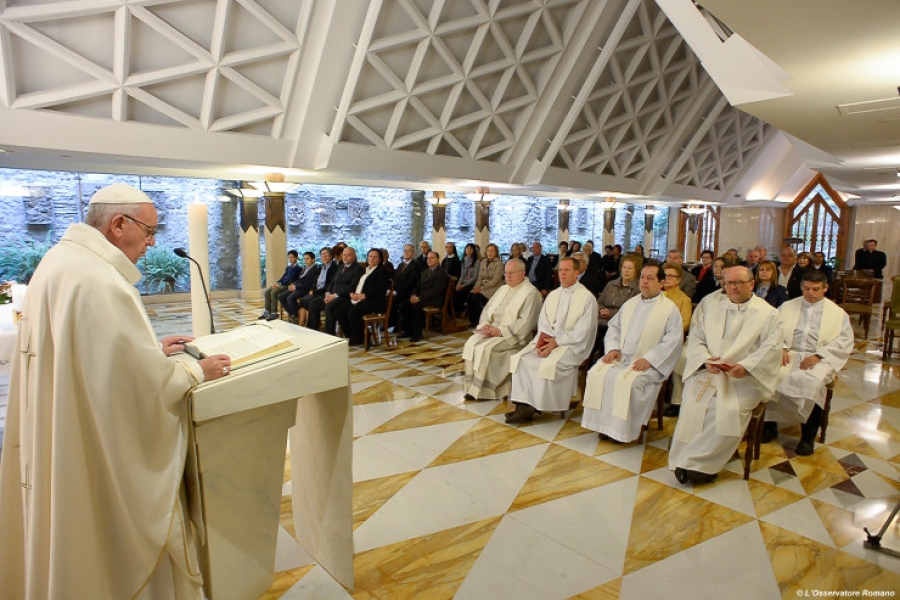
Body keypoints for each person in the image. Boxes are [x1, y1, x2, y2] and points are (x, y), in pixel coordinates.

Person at [0, 184, 231, 600]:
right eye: (148, 230)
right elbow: (137, 389)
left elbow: (91, 359)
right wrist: (194, 369)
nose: (152, 242)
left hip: (62, 434)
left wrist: (151, 351)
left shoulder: (63, 261)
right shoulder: (97, 280)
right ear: (118, 224)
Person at [668, 266, 783, 484]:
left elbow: (772, 348)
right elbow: (696, 339)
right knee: (693, 400)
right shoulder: (713, 309)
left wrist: (746, 366)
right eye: (729, 283)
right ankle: (685, 457)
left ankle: (703, 465)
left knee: (725, 407)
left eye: (739, 283)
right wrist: (704, 359)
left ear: (752, 284)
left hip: (746, 379)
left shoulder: (769, 314)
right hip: (712, 372)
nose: (733, 287)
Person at [582, 264, 683, 442]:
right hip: (622, 357)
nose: (644, 281)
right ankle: (605, 426)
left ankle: (624, 431)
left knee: (630, 383)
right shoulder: (631, 303)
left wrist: (650, 359)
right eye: (642, 277)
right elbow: (614, 327)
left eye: (650, 278)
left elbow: (672, 341)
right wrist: (613, 348)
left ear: (661, 283)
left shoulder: (669, 309)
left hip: (649, 363)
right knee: (597, 374)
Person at [764, 270, 853, 454]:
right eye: (806, 289)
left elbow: (844, 340)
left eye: (816, 289)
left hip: (819, 357)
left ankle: (807, 436)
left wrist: (819, 356)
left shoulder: (837, 314)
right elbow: (773, 330)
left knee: (812, 383)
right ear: (801, 287)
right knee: (769, 375)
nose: (810, 293)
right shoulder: (787, 307)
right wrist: (782, 347)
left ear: (825, 288)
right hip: (790, 353)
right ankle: (770, 425)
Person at [506, 257, 598, 423]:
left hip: (573, 346)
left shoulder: (587, 298)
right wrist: (545, 342)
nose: (562, 273)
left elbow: (583, 331)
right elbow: (544, 322)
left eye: (567, 270)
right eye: (560, 269)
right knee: (522, 359)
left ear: (577, 273)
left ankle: (536, 405)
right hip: (549, 341)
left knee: (546, 364)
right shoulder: (553, 295)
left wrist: (557, 342)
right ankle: (523, 405)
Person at [462, 259, 542, 401]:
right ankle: (473, 388)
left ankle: (487, 390)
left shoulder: (531, 293)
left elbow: (526, 322)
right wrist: (486, 325)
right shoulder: (503, 289)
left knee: (487, 349)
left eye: (511, 273)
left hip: (514, 337)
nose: (507, 276)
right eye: (506, 273)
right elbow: (487, 310)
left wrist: (499, 332)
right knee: (471, 343)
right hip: (493, 330)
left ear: (522, 273)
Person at [338, 248, 391, 346]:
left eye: (375, 257)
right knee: (340, 311)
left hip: (374, 301)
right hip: (358, 298)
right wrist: (352, 293)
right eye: (370, 256)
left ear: (380, 259)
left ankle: (363, 338)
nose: (372, 259)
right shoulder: (364, 270)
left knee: (353, 312)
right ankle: (352, 336)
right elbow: (354, 284)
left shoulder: (382, 272)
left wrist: (363, 295)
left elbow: (378, 290)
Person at [307, 247, 363, 334]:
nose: (345, 257)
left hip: (344, 296)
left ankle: (329, 333)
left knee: (329, 306)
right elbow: (332, 282)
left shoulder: (358, 269)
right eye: (344, 255)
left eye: (348, 255)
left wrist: (335, 295)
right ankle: (313, 331)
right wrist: (328, 293)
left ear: (354, 256)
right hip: (331, 294)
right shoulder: (340, 266)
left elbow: (352, 287)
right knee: (313, 303)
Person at [398, 251, 449, 342]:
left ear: (438, 260)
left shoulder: (441, 273)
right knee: (404, 305)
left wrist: (420, 298)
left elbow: (436, 291)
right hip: (423, 298)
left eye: (432, 258)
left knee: (416, 307)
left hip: (434, 300)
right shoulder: (425, 271)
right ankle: (408, 331)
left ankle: (417, 334)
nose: (429, 260)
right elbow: (418, 286)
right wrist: (413, 295)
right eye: (428, 258)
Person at [596, 253, 642, 354]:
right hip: (601, 322)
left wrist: (610, 314)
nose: (626, 270)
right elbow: (599, 302)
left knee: (604, 338)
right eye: (624, 267)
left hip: (620, 326)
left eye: (630, 268)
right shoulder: (611, 284)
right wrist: (601, 310)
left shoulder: (638, 288)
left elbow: (631, 311)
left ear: (636, 271)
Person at [297, 247, 336, 327]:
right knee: (304, 299)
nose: (324, 256)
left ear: (331, 256)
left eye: (326, 254)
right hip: (316, 291)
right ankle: (301, 325)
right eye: (322, 254)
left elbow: (329, 285)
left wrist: (314, 292)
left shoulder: (334, 268)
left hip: (325, 292)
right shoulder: (321, 267)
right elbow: (315, 281)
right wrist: (312, 290)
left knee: (311, 302)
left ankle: (312, 327)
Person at [466, 243, 504, 327]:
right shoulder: (483, 262)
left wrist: (481, 288)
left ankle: (480, 320)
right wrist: (476, 286)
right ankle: (473, 320)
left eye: (492, 251)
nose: (490, 253)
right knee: (469, 295)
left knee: (476, 297)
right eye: (488, 251)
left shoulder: (499, 263)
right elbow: (480, 277)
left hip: (494, 287)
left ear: (496, 252)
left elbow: (495, 280)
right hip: (483, 286)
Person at [260, 249, 302, 320]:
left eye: (292, 257)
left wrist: (280, 284)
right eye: (289, 257)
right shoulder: (288, 267)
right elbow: (283, 276)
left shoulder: (298, 268)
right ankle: (267, 312)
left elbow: (291, 279)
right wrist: (277, 283)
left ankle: (274, 313)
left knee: (274, 292)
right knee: (267, 291)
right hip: (282, 284)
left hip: (288, 286)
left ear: (296, 257)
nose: (290, 259)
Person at [279, 251, 319, 323]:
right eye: (304, 259)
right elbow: (299, 279)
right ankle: (294, 315)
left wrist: (296, 287)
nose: (305, 261)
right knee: (281, 297)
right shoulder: (305, 268)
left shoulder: (315, 269)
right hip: (298, 286)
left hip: (305, 289)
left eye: (308, 258)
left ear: (313, 260)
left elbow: (309, 284)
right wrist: (293, 285)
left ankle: (296, 316)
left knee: (290, 298)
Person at [390, 243, 422, 328]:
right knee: (387, 300)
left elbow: (410, 283)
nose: (406, 253)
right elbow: (395, 278)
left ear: (413, 253)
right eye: (405, 251)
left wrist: (396, 291)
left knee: (392, 301)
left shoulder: (416, 266)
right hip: (398, 291)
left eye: (409, 251)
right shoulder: (401, 265)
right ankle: (394, 323)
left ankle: (398, 325)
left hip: (408, 293)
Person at [662, 262, 692, 333]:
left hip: (672, 334)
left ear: (678, 280)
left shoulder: (684, 299)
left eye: (671, 276)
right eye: (665, 275)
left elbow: (685, 324)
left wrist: (667, 330)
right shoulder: (654, 294)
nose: (667, 278)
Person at [454, 243, 481, 315]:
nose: (468, 250)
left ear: (473, 250)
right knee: (454, 293)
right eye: (467, 248)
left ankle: (463, 310)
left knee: (460, 294)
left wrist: (462, 286)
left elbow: (475, 277)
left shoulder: (476, 261)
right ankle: (458, 311)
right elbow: (462, 275)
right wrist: (458, 284)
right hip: (463, 282)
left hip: (471, 283)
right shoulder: (463, 260)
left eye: (470, 249)